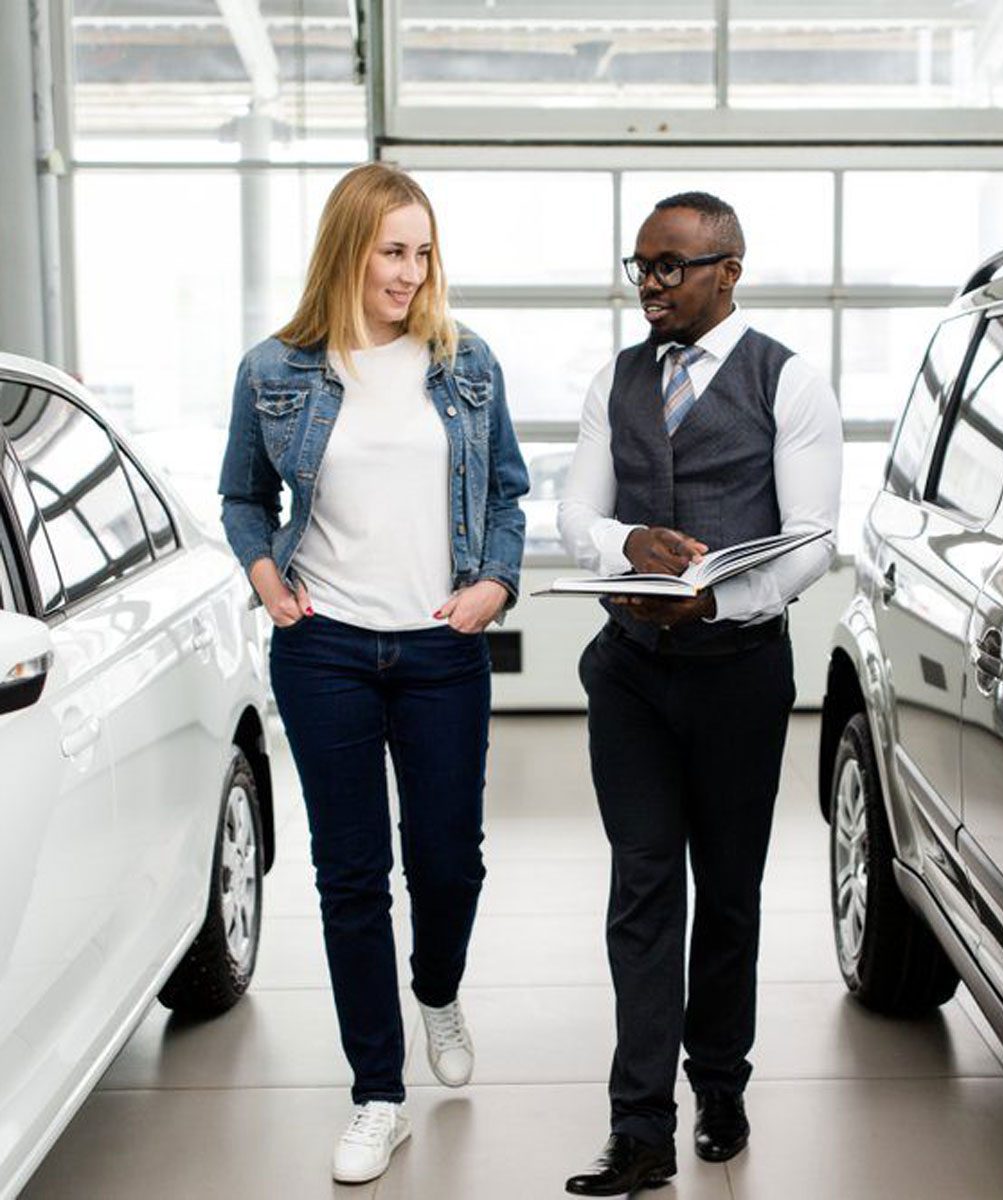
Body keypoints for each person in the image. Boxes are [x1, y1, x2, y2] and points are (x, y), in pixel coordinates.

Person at [218, 163, 529, 1185]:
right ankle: (378, 1095)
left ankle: (435, 987)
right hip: (326, 649)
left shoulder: (465, 362)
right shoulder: (274, 370)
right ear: (349, 250)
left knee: (448, 862)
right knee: (351, 877)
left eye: (423, 251)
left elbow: (509, 496)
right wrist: (266, 576)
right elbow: (241, 496)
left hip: (442, 650)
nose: (410, 272)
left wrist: (495, 583)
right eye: (393, 251)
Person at [558, 191, 842, 1195]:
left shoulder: (790, 382)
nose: (651, 284)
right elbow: (573, 513)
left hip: (740, 676)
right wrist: (623, 544)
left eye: (671, 266)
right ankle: (639, 1127)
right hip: (629, 673)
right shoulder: (617, 378)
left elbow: (811, 540)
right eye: (640, 265)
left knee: (726, 890)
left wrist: (713, 603)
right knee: (643, 885)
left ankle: (720, 1082)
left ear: (730, 269)